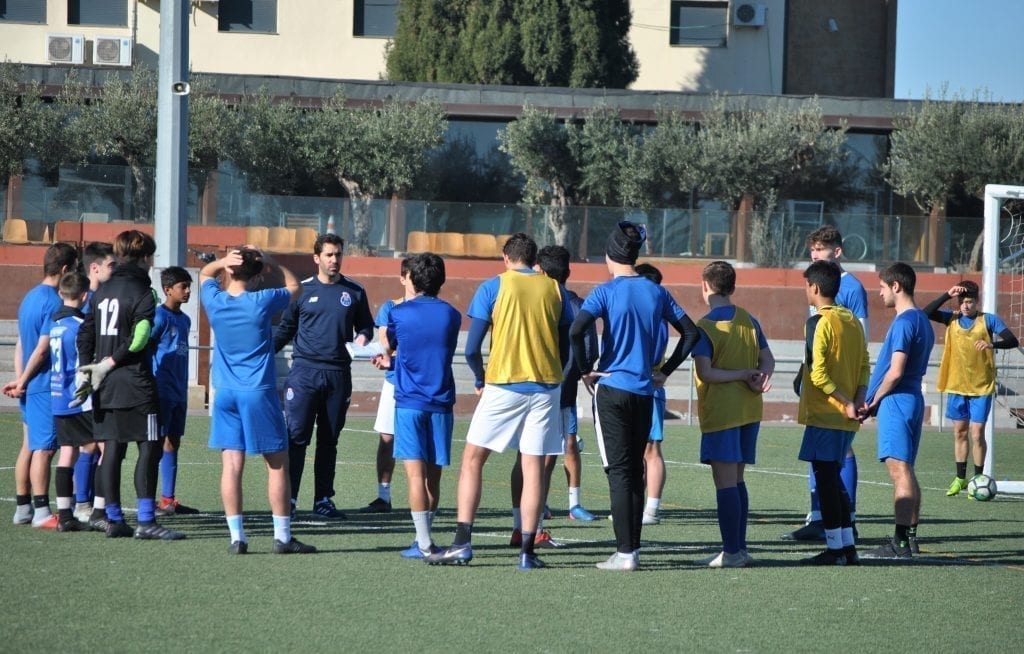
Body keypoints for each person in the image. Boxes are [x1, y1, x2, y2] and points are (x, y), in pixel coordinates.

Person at [426, 233, 572, 570]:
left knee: (473, 459)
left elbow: (472, 348)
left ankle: (462, 542)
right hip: (546, 387)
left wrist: (480, 377)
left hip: (504, 382)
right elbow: (565, 346)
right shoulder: (554, 289)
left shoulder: (493, 287)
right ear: (533, 258)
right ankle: (527, 551)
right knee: (533, 466)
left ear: (506, 257)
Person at [570, 222, 700, 571]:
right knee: (636, 471)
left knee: (619, 471)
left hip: (611, 389)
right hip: (644, 391)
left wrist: (585, 370)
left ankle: (624, 553)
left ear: (611, 255)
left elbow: (577, 329)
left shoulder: (605, 292)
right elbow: (691, 332)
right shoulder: (656, 292)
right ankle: (633, 551)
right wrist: (666, 372)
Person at [201, 247, 315, 554]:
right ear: (257, 273)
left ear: (231, 271)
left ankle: (237, 538)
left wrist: (221, 262)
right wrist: (275, 264)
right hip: (257, 392)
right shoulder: (260, 301)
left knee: (231, 466)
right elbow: (295, 288)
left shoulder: (215, 301)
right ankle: (283, 537)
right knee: (278, 465)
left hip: (224, 393)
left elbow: (204, 274)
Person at [76, 230, 184, 540]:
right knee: (150, 448)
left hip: (104, 385)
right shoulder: (144, 292)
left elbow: (85, 332)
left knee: (112, 449)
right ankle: (147, 521)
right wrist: (108, 363)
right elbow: (138, 340)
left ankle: (113, 519)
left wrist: (88, 368)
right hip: (136, 383)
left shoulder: (101, 291)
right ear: (144, 258)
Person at [274, 233, 375, 518]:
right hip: (304, 374)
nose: (335, 259)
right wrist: (264, 352)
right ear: (316, 258)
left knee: (329, 440)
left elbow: (366, 326)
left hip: (338, 375)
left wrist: (364, 339)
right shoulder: (301, 291)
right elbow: (285, 330)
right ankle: (290, 500)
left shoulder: (354, 291)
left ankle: (323, 500)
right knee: (296, 438)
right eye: (329, 254)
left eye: (338, 254)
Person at [370, 253, 461, 558]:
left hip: (409, 402)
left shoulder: (398, 313)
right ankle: (425, 538)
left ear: (411, 279)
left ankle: (423, 543)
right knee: (433, 476)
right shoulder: (452, 315)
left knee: (413, 475)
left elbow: (393, 346)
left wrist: (388, 359)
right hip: (441, 402)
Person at [784, 225, 868, 541]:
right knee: (828, 465)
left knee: (835, 462)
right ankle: (829, 526)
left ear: (837, 251)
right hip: (834, 393)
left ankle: (840, 532)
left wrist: (852, 399)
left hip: (833, 398)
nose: (815, 255)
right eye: (813, 250)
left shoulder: (848, 291)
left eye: (821, 249)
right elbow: (819, 350)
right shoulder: (825, 303)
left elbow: (853, 347)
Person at [693, 261, 775, 568]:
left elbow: (706, 372)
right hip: (749, 411)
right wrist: (760, 376)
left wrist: (743, 373)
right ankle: (738, 548)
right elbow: (768, 359)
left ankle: (732, 551)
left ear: (705, 286)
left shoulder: (705, 326)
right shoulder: (748, 320)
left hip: (722, 413)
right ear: (732, 286)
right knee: (737, 480)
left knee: (725, 482)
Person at [3, 271, 98, 531]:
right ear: (85, 295)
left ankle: (33, 508)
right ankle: (78, 507)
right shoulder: (75, 323)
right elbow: (44, 350)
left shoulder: (40, 310)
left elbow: (24, 344)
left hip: (49, 391)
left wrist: (20, 377)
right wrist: (23, 380)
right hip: (69, 394)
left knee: (43, 447)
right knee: (76, 448)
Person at [861, 262, 935, 560]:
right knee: (907, 470)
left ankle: (900, 544)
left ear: (896, 286)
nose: (879, 293)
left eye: (882, 286)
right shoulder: (922, 321)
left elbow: (895, 371)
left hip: (898, 400)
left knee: (899, 471)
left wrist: (874, 400)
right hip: (911, 399)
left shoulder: (905, 322)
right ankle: (910, 538)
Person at [923, 281, 1019, 496]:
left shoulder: (988, 320)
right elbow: (926, 312)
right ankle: (960, 478)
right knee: (959, 432)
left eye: (970, 302)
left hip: (981, 387)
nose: (966, 306)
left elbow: (1012, 340)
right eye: (962, 302)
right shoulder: (951, 317)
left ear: (977, 302)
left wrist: (992, 345)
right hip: (956, 385)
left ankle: (978, 478)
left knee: (976, 434)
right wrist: (947, 294)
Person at [361, 257, 415, 514]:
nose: (414, 280)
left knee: (416, 442)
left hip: (419, 383)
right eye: (410, 275)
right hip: (395, 382)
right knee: (387, 438)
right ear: (402, 278)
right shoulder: (390, 308)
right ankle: (383, 496)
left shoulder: (432, 310)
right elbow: (385, 344)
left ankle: (422, 499)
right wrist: (388, 354)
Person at [72, 242, 116, 522]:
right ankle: (84, 504)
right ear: (95, 268)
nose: (116, 270)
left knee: (94, 444)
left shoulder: (101, 298)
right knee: (92, 445)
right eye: (112, 265)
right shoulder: (92, 301)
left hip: (98, 379)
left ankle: (87, 504)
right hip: (90, 380)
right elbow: (82, 340)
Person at [152, 266, 199, 516]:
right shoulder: (158, 318)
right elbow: (147, 349)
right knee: (155, 444)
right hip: (161, 390)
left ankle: (168, 500)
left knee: (173, 442)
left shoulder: (185, 319)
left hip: (179, 391)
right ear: (168, 289)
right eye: (183, 286)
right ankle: (147, 502)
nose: (188, 291)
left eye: (189, 286)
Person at [635, 263, 670, 526]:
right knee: (636, 450)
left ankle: (651, 509)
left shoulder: (656, 315)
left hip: (648, 385)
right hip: (636, 385)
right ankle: (637, 506)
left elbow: (655, 352)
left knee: (650, 447)